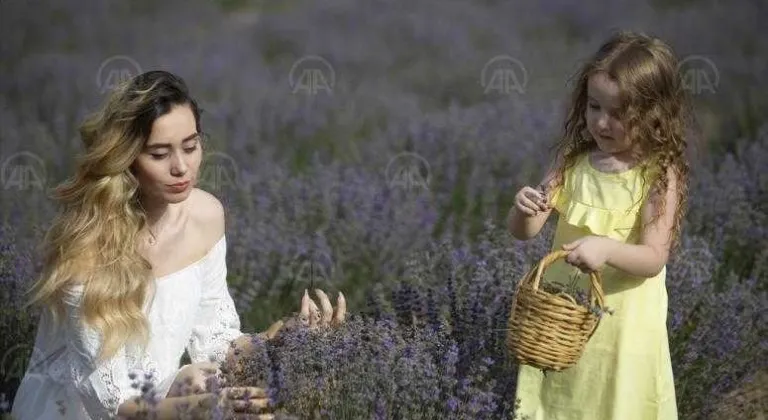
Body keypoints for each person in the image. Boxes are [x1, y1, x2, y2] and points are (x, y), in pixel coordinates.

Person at [11, 70, 347, 420]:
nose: (181, 167)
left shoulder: (206, 216)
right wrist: (202, 406)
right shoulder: (88, 251)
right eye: (159, 154)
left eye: (191, 146)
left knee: (216, 385)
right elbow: (113, 406)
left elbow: (217, 344)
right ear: (127, 160)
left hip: (161, 396)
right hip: (76, 410)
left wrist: (284, 338)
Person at [508, 30, 696, 420]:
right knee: (565, 405)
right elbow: (525, 232)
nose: (602, 123)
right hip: (563, 323)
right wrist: (524, 209)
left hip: (623, 332)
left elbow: (653, 257)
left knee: (617, 405)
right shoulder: (572, 164)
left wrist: (605, 248)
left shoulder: (657, 175)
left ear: (653, 114)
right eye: (594, 107)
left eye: (618, 113)